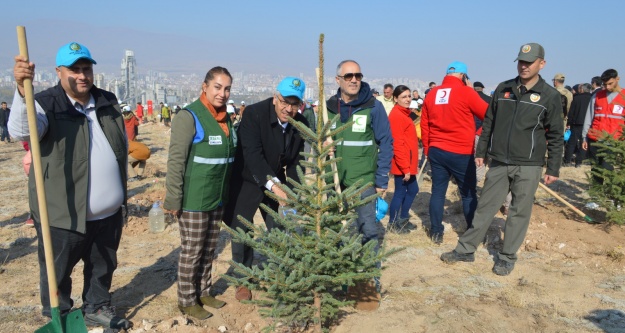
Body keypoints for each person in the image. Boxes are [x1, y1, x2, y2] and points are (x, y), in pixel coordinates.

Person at [9, 42, 131, 329]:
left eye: (86, 68)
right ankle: (60, 315)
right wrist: (21, 89)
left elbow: (120, 146)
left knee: (102, 266)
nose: (81, 75)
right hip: (62, 213)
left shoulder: (106, 101)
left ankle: (97, 307)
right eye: (74, 69)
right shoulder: (46, 104)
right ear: (59, 72)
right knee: (57, 270)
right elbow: (20, 131)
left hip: (108, 214)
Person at [440, 42, 564, 276]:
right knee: (485, 207)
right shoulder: (504, 89)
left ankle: (507, 257)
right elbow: (489, 123)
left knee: (518, 211)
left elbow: (556, 135)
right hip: (499, 162)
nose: (524, 66)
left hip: (528, 165)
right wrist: (481, 151)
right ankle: (466, 249)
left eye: (529, 62)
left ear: (542, 64)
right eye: (521, 61)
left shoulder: (550, 96)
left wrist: (553, 167)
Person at [223, 76, 309, 301]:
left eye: (294, 104)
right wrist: (275, 186)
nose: (288, 109)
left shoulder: (300, 123)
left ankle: (282, 275)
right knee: (242, 228)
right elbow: (252, 155)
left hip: (276, 180)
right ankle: (244, 280)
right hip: (246, 178)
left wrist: (294, 191)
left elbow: (296, 162)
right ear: (275, 98)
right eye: (284, 102)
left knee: (279, 226)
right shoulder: (254, 114)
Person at [164, 66, 236, 319]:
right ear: (204, 86)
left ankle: (204, 290)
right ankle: (186, 299)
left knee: (209, 249)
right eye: (217, 87)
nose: (222, 93)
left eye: (227, 88)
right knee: (192, 250)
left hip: (216, 198)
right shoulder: (190, 116)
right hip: (194, 199)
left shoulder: (225, 118)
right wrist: (173, 198)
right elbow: (176, 160)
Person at [326, 60, 393, 278]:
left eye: (358, 75)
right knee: (336, 229)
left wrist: (382, 179)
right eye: (348, 76)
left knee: (368, 230)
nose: (354, 79)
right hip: (334, 181)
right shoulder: (328, 108)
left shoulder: (373, 106)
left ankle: (369, 277)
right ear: (338, 80)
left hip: (364, 181)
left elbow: (386, 142)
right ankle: (339, 275)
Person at [420, 61, 488, 244]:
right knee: (467, 193)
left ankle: (436, 232)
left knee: (438, 192)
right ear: (463, 76)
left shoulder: (432, 93)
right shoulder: (466, 92)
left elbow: (424, 124)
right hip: (461, 152)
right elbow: (488, 115)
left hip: (436, 150)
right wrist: (479, 133)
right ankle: (473, 233)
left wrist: (427, 149)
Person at [582, 69, 625, 184]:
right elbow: (589, 117)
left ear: (617, 79)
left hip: (614, 141)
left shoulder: (623, 97)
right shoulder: (597, 97)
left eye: (610, 84)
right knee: (596, 169)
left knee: (608, 168)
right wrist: (584, 137)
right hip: (595, 139)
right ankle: (596, 197)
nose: (607, 87)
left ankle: (611, 197)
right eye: (605, 84)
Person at [387, 85, 419, 234]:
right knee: (400, 192)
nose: (407, 99)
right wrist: (405, 168)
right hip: (402, 162)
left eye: (408, 96)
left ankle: (403, 219)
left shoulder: (404, 114)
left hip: (408, 161)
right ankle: (393, 223)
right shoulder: (396, 116)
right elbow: (397, 144)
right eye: (403, 97)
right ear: (395, 99)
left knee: (413, 189)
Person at [563, 83, 592, 167]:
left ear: (582, 90)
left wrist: (569, 122)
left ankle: (567, 161)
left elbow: (571, 112)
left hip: (576, 123)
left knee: (572, 143)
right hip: (588, 124)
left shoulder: (576, 98)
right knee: (584, 142)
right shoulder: (592, 98)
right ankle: (579, 162)